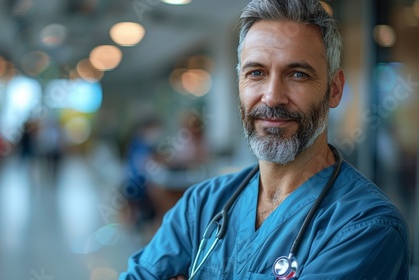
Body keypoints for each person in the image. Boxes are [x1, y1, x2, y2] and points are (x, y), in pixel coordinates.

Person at [120, 0, 410, 279]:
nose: (272, 96)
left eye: (297, 74)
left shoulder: (365, 227)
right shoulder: (202, 205)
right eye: (256, 73)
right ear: (240, 85)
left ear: (334, 90)